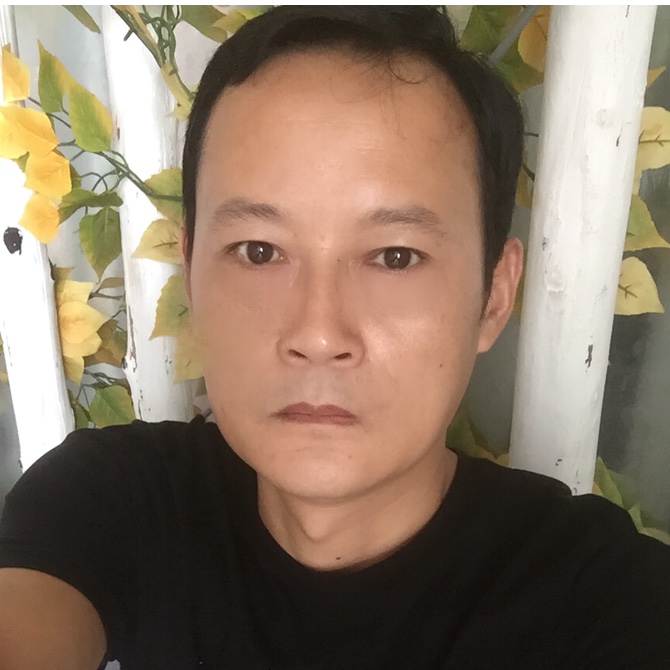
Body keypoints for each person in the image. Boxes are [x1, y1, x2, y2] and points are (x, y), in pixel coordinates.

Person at [1, 6, 669, 669]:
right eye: (259, 251)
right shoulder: (110, 503)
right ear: (191, 274)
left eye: (395, 257)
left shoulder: (606, 600)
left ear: (494, 295)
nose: (318, 335)